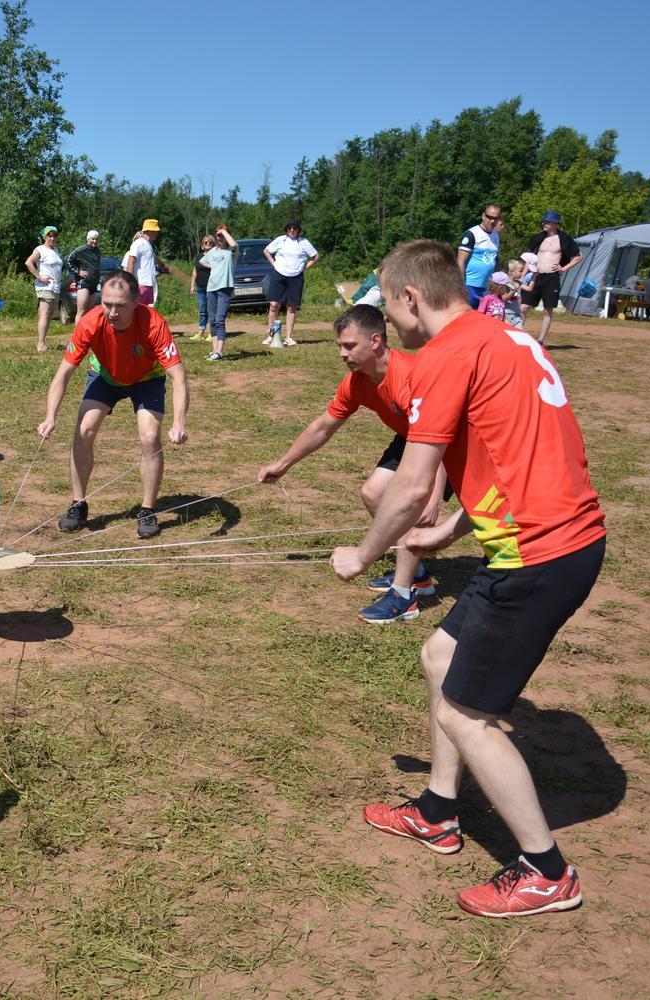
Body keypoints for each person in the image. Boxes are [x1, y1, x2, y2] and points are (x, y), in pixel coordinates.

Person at [330, 239, 605, 918]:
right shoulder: (502, 337)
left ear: (411, 298)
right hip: (551, 542)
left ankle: (547, 871)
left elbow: (411, 483)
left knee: (465, 711)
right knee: (439, 656)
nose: (392, 325)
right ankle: (437, 812)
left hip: (538, 557)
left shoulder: (449, 354)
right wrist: (453, 531)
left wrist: (364, 555)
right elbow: (516, 451)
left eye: (391, 311)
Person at [258, 304, 447, 622]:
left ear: (375, 341)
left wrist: (433, 492)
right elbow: (323, 426)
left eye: (349, 346)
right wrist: (283, 463)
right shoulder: (357, 381)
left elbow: (440, 435)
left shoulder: (410, 378)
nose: (342, 354)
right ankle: (416, 572)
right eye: (339, 347)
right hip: (412, 435)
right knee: (374, 493)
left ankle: (404, 597)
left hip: (449, 442)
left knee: (408, 506)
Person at [37, 270, 190, 540]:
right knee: (84, 430)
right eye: (107, 303)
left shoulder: (153, 323)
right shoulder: (89, 322)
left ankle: (147, 510)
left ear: (135, 302)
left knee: (150, 436)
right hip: (106, 376)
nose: (112, 312)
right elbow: (63, 374)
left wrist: (179, 422)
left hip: (147, 379)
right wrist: (50, 416)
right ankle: (78, 504)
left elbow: (178, 376)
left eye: (120, 305)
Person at [524, 210, 583, 345]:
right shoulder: (538, 238)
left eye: (547, 221)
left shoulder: (565, 239)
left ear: (555, 223)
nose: (544, 223)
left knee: (547, 309)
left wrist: (564, 268)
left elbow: (579, 256)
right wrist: (523, 276)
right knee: (523, 307)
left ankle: (541, 340)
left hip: (551, 277)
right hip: (536, 275)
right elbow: (530, 258)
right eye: (544, 221)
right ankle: (518, 335)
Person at [264, 220, 320, 348]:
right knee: (274, 304)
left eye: (294, 228)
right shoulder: (280, 240)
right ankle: (270, 335)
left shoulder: (304, 242)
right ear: (286, 229)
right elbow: (266, 251)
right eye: (289, 228)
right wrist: (273, 262)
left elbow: (316, 256)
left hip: (296, 277)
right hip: (279, 274)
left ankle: (289, 337)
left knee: (291, 307)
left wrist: (305, 267)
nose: (292, 230)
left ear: (298, 230)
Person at [199, 225, 238, 360]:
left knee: (220, 320)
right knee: (213, 320)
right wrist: (215, 266)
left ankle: (220, 352)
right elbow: (201, 261)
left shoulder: (230, 252)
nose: (219, 237)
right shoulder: (212, 252)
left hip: (225, 288)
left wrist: (224, 232)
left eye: (222, 235)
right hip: (211, 289)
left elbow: (233, 244)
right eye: (218, 235)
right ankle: (215, 351)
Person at [26, 225, 63, 352]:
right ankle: (40, 344)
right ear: (45, 237)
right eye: (49, 236)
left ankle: (43, 341)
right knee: (45, 314)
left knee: (49, 315)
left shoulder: (55, 250)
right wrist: (40, 277)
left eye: (54, 236)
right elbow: (29, 262)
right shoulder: (40, 249)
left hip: (55, 287)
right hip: (45, 287)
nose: (52, 238)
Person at [457, 204, 502, 308]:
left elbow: (494, 262)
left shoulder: (496, 236)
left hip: (486, 288)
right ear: (483, 216)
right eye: (489, 217)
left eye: (495, 218)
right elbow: (460, 261)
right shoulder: (472, 234)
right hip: (470, 286)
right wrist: (461, 286)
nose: (491, 221)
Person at [123, 219, 164, 305]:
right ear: (150, 231)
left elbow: (154, 259)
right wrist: (131, 281)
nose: (157, 233)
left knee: (145, 310)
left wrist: (162, 266)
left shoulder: (148, 244)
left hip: (148, 283)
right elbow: (131, 261)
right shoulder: (139, 243)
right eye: (155, 231)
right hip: (140, 283)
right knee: (138, 309)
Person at [67, 229, 103, 320]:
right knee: (82, 310)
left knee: (89, 311)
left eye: (96, 239)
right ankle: (78, 334)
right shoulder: (81, 250)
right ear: (88, 239)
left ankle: (86, 333)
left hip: (93, 283)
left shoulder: (97, 250)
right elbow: (68, 261)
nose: (95, 241)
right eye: (93, 239)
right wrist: (78, 272)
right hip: (83, 283)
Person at [189, 234, 214, 341]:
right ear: (203, 244)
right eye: (205, 242)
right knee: (202, 309)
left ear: (213, 244)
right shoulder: (199, 256)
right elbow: (195, 271)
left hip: (211, 287)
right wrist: (192, 286)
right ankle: (200, 333)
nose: (207, 244)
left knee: (211, 310)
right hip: (200, 287)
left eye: (210, 242)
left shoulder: (214, 256)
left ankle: (213, 334)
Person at [504, 260, 528, 328]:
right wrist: (514, 288)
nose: (522, 273)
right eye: (520, 271)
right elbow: (505, 298)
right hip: (507, 314)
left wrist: (534, 276)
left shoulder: (516, 283)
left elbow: (529, 289)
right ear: (512, 271)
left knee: (519, 333)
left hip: (516, 313)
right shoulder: (506, 282)